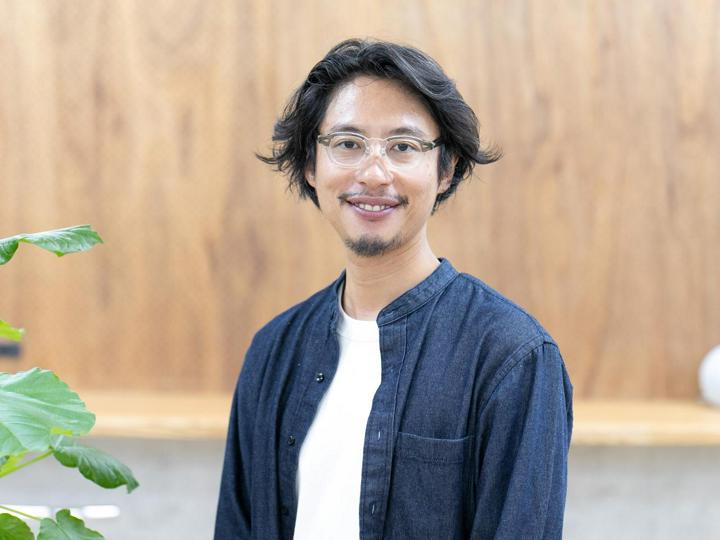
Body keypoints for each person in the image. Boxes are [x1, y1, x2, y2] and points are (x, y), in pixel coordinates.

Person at [214, 38, 573, 540]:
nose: (373, 173)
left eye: (403, 147)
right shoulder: (273, 350)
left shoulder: (512, 357)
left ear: (446, 169)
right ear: (312, 166)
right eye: (348, 143)